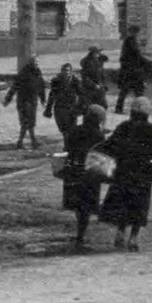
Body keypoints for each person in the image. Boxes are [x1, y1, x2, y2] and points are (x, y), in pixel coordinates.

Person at [98, 103, 152, 250]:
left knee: (122, 202)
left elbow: (110, 145)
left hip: (123, 172)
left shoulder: (123, 127)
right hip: (142, 174)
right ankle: (133, 238)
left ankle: (120, 232)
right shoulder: (151, 130)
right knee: (139, 206)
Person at [61, 105, 109, 249]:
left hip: (74, 171)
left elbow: (67, 149)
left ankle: (80, 233)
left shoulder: (75, 130)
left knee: (78, 204)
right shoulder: (98, 135)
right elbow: (102, 154)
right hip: (91, 173)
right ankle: (81, 234)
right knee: (87, 205)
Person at [3, 58, 47, 149]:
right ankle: (27, 141)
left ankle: (25, 141)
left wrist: (43, 100)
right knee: (26, 122)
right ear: (30, 63)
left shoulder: (38, 73)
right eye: (34, 63)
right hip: (23, 101)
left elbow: (41, 87)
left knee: (31, 122)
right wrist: (8, 99)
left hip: (33, 101)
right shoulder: (23, 74)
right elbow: (14, 87)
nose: (36, 64)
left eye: (37, 63)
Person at [44, 62, 83, 143]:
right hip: (60, 108)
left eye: (68, 70)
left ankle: (69, 146)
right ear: (61, 71)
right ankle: (68, 145)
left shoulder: (75, 82)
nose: (66, 72)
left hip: (71, 108)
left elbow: (81, 95)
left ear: (71, 71)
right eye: (64, 70)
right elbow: (51, 96)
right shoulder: (56, 82)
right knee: (64, 129)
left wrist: (81, 107)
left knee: (71, 128)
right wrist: (48, 110)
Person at [115, 28, 149, 113]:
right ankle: (140, 108)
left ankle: (119, 108)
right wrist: (147, 62)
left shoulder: (129, 41)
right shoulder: (131, 42)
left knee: (126, 91)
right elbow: (137, 55)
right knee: (136, 91)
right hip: (132, 72)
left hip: (129, 71)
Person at [78, 46, 110, 110]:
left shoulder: (99, 60)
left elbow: (106, 59)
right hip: (89, 88)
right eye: (98, 52)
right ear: (93, 53)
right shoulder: (87, 62)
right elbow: (85, 77)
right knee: (87, 107)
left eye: (100, 52)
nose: (99, 53)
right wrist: (93, 85)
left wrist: (104, 85)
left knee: (103, 105)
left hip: (99, 86)